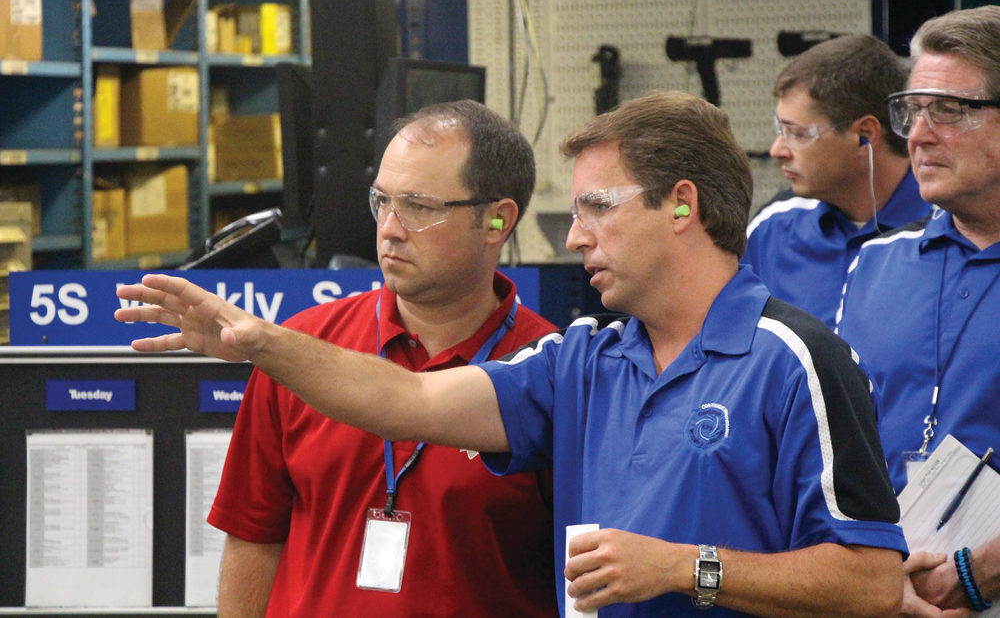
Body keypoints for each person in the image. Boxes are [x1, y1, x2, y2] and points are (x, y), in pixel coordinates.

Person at [117, 92, 906, 618]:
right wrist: (259, 340)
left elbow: (872, 580)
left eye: (597, 207)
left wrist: (685, 568)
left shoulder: (796, 359)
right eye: (383, 202)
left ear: (681, 206)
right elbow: (407, 401)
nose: (575, 235)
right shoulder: (583, 360)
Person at [204, 100, 560, 617]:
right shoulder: (299, 348)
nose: (389, 228)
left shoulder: (549, 374)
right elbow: (253, 537)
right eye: (382, 201)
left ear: (497, 221)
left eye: (418, 207)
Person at [837, 6, 1000, 617]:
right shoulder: (874, 264)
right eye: (913, 110)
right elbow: (834, 451)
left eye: (949, 110)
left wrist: (979, 574)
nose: (919, 136)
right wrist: (871, 575)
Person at [744, 34, 931, 329]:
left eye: (798, 133)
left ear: (865, 135)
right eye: (780, 129)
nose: (776, 150)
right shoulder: (772, 228)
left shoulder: (948, 227)